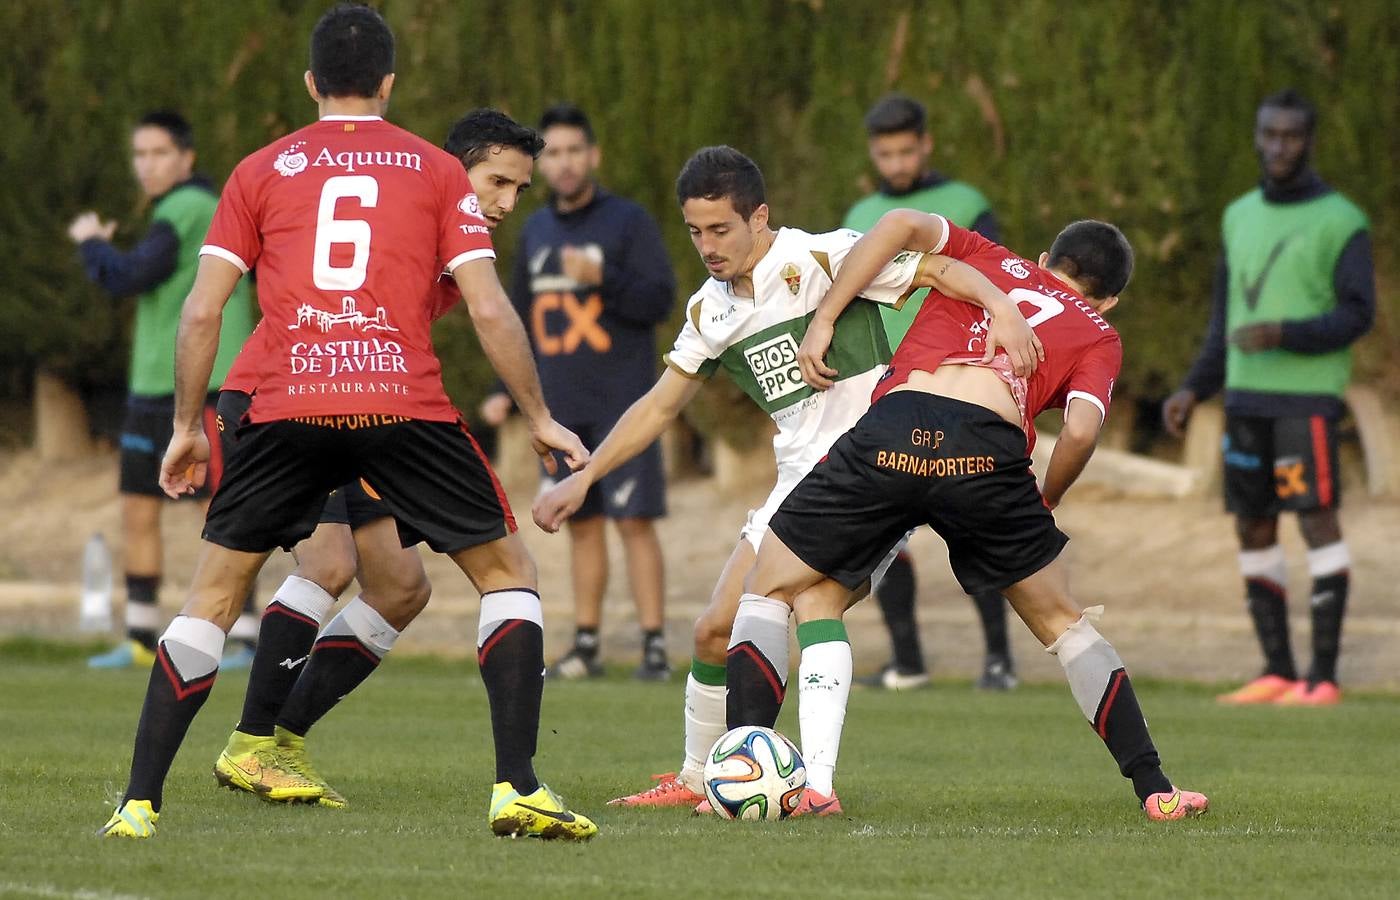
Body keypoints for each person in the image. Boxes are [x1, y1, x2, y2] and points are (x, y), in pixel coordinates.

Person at [99, 5, 595, 841]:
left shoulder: (261, 169)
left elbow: (200, 312)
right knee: (498, 571)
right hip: (388, 402)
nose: (508, 200)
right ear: (391, 85)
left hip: (278, 402)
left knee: (266, 592)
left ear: (309, 83)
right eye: (500, 183)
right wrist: (540, 416)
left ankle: (142, 802)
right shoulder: (432, 176)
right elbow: (492, 311)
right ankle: (511, 784)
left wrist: (187, 424)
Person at [532, 146, 1037, 814]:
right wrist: (586, 476)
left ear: (759, 216)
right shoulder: (710, 311)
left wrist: (1001, 307)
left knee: (803, 604)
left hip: (873, 469)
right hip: (797, 479)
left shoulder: (823, 258)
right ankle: (699, 776)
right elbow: (660, 405)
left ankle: (790, 780)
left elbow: (936, 270)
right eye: (695, 231)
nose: (708, 246)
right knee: (712, 631)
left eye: (721, 229)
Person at [725, 208, 1209, 822]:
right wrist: (1047, 499)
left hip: (896, 428)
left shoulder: (986, 255)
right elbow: (1081, 432)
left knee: (769, 587)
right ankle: (1156, 789)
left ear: (1042, 258)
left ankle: (741, 774)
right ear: (1109, 300)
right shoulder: (1099, 332)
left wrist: (823, 319)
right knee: (1064, 623)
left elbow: (899, 222)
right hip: (986, 453)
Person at [209, 108, 546, 811]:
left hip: (346, 403)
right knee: (329, 565)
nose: (507, 203)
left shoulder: (444, 228)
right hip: (288, 398)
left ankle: (280, 742)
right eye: (499, 182)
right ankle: (251, 743)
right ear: (458, 171)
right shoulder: (420, 212)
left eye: (519, 189)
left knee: (399, 588)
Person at [1162, 89, 1374, 707]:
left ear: (1310, 141)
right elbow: (1223, 324)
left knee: (1315, 521)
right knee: (1253, 528)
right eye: (1269, 134)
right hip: (1247, 402)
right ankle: (1277, 670)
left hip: (1306, 401)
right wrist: (1194, 387)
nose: (1279, 147)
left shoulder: (1342, 220)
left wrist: (1288, 334)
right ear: (1257, 137)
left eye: (1292, 136)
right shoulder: (1238, 215)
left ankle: (1324, 677)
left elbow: (1359, 315)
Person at [481, 104, 676, 681]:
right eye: (554, 154)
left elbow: (659, 301)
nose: (564, 164)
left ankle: (654, 644)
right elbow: (514, 316)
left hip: (623, 399)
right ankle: (586, 641)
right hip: (561, 407)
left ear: (593, 156)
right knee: (579, 522)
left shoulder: (628, 223)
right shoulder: (536, 230)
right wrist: (501, 388)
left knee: (634, 520)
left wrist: (603, 279)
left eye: (574, 151)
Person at [69, 110, 259, 670]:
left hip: (208, 384)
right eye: (139, 154)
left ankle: (243, 635)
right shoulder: (169, 212)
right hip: (153, 386)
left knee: (226, 511)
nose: (146, 165)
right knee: (137, 509)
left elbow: (131, 275)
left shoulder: (191, 207)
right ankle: (140, 638)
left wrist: (90, 245)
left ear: (186, 159)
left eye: (158, 153)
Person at [842, 93, 1014, 692]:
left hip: (955, 381)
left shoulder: (966, 205)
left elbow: (996, 280)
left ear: (926, 144)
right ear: (872, 153)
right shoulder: (862, 211)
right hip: (886, 384)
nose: (896, 162)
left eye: (905, 150)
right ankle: (907, 661)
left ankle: (999, 660)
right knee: (886, 530)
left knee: (969, 522)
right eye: (884, 153)